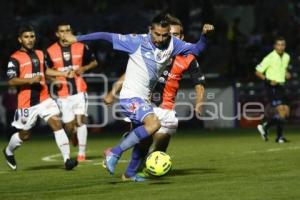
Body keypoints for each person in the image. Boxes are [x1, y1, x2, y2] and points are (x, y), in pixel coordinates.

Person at [65, 13, 214, 178]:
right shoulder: (136, 41)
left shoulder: (173, 43)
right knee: (153, 124)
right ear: (151, 30)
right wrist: (77, 38)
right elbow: (105, 36)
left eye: (165, 35)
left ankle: (129, 174)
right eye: (157, 34)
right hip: (130, 96)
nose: (161, 38)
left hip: (144, 99)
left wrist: (205, 36)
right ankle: (113, 153)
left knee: (146, 140)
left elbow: (198, 49)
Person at [104, 14, 206, 181]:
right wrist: (112, 93)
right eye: (170, 34)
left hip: (167, 108)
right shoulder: (152, 52)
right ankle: (130, 167)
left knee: (160, 147)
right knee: (147, 139)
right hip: (147, 104)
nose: (172, 38)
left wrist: (200, 101)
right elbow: (128, 75)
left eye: (176, 35)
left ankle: (137, 160)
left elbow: (199, 81)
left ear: (182, 37)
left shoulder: (187, 58)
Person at [3, 25, 78, 170]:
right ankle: (8, 151)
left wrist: (63, 74)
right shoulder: (14, 58)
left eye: (32, 36)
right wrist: (30, 80)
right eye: (26, 37)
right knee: (25, 135)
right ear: (20, 39)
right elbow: (11, 80)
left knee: (57, 124)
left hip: (45, 98)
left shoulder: (40, 53)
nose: (30, 40)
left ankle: (67, 160)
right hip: (27, 103)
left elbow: (46, 70)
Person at [46, 22, 98, 161]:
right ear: (57, 34)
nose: (65, 33)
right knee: (68, 125)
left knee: (81, 120)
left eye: (68, 30)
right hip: (62, 94)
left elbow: (94, 62)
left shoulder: (81, 46)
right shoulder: (50, 51)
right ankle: (73, 133)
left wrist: (84, 69)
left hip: (80, 90)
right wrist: (53, 80)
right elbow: (46, 71)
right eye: (62, 31)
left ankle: (82, 153)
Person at [256, 37, 291, 143]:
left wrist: (286, 73)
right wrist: (268, 80)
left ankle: (265, 127)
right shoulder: (269, 58)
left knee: (286, 113)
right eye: (279, 45)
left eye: (283, 45)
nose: (281, 47)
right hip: (272, 87)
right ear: (275, 46)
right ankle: (279, 137)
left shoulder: (286, 56)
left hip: (281, 86)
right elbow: (257, 72)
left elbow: (284, 69)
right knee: (281, 111)